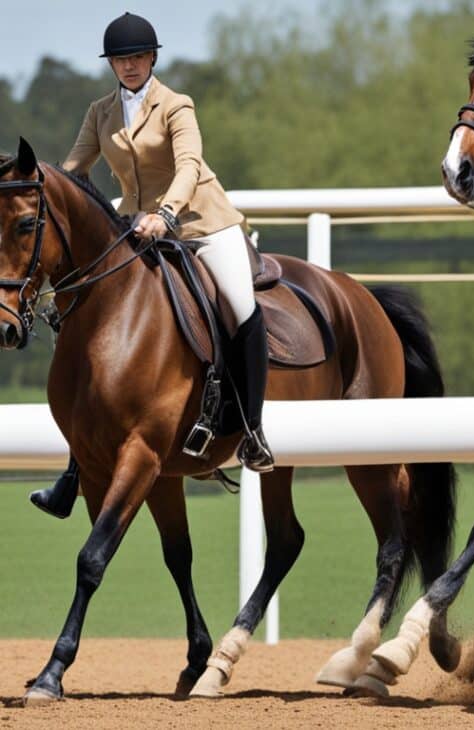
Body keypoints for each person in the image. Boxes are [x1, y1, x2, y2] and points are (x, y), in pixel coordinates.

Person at [30, 12, 274, 519]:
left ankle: (251, 430)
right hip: (135, 228)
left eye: (138, 57)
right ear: (112, 65)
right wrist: (45, 191)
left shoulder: (177, 105)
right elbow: (74, 172)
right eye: (122, 59)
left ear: (153, 58)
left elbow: (188, 166)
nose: (131, 65)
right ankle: (75, 470)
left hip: (201, 222)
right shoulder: (100, 113)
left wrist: (166, 213)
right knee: (86, 318)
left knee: (240, 305)